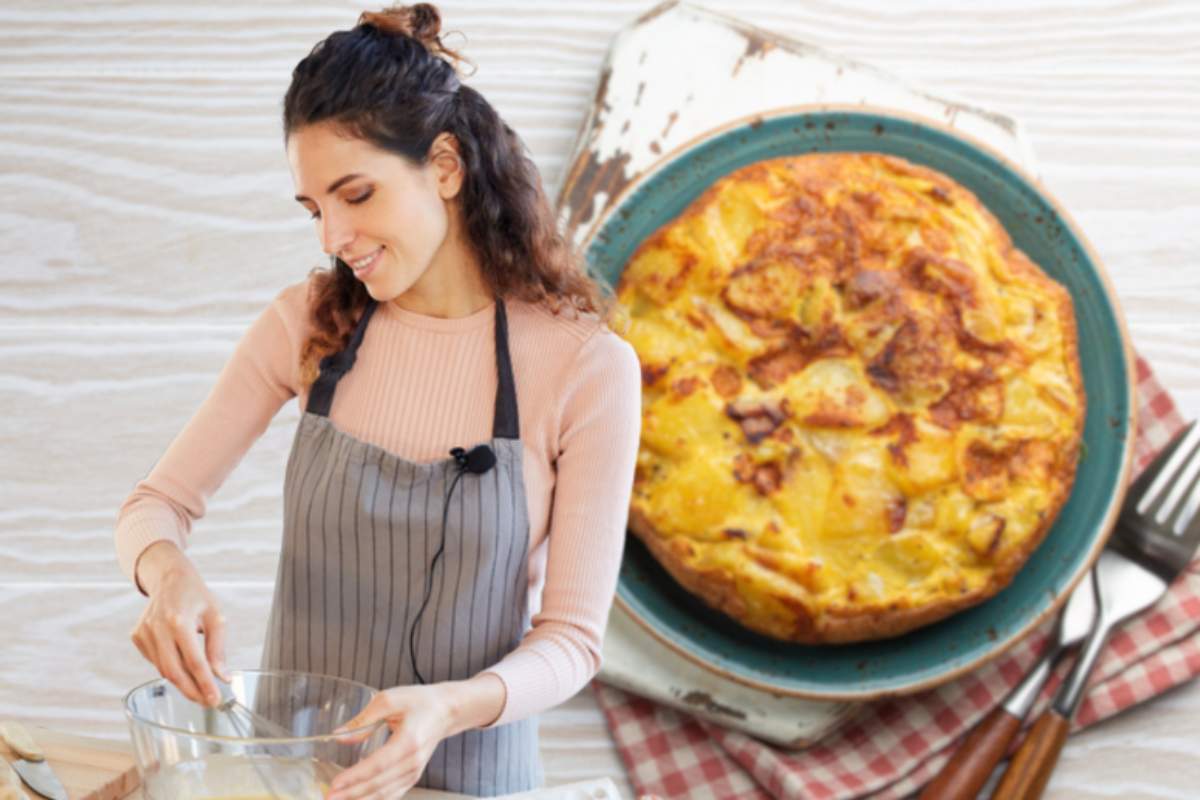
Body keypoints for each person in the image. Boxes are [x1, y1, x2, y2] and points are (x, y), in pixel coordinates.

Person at [115, 4, 641, 797]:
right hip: (294, 781)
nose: (332, 235)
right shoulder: (305, 328)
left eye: (355, 194)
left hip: (472, 780)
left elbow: (571, 642)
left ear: (445, 167)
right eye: (315, 208)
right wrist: (166, 574)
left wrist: (447, 709)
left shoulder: (585, 366)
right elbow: (154, 505)